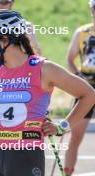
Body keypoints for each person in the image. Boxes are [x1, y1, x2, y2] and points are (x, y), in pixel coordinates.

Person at [0, 10, 95, 176]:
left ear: (5, 40)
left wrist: (62, 127)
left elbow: (89, 95)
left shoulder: (43, 68)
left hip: (26, 155)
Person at [64, 0, 95, 175]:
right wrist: (78, 76)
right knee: (76, 135)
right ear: (91, 9)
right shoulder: (82, 32)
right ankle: (67, 172)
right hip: (86, 88)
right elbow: (70, 59)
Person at [0, 0, 41, 73]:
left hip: (23, 75)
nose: (0, 6)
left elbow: (38, 57)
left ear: (11, 3)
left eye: (5, 2)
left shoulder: (26, 27)